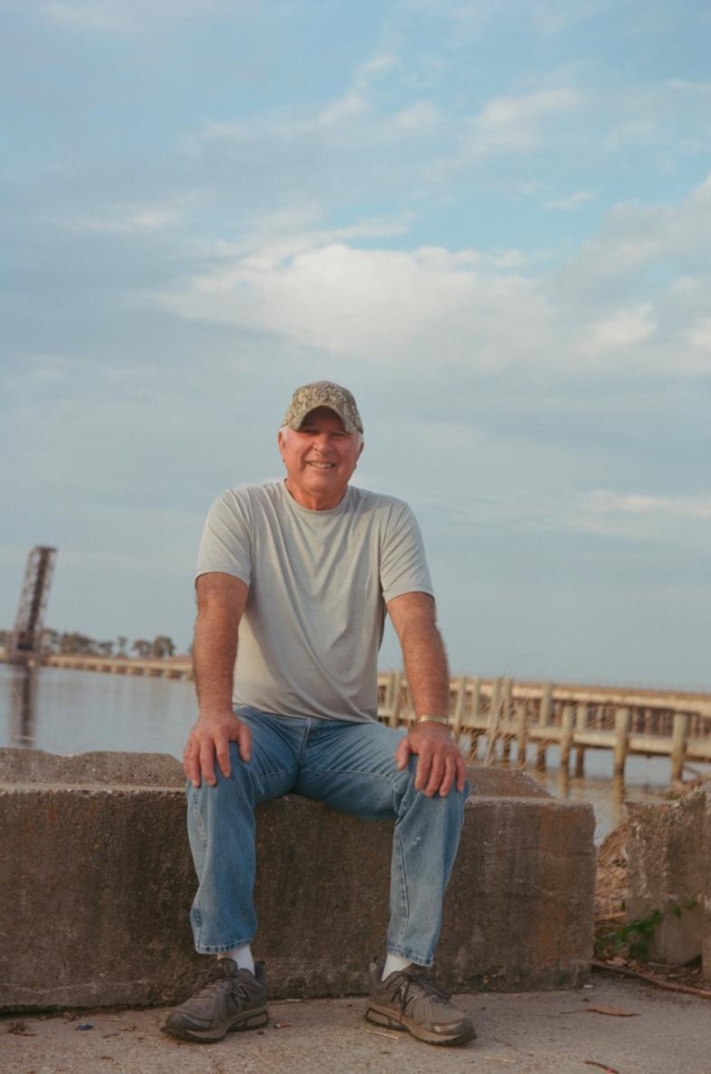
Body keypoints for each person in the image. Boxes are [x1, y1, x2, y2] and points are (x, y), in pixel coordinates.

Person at [163, 381, 475, 1047]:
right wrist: (215, 712)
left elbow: (416, 621)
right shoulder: (241, 509)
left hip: (345, 736)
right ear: (284, 443)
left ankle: (403, 977)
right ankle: (234, 972)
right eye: (310, 432)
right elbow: (217, 608)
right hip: (262, 726)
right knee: (213, 762)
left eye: (339, 435)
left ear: (358, 450)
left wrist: (433, 723)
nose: (323, 446)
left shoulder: (388, 518)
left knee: (438, 774)